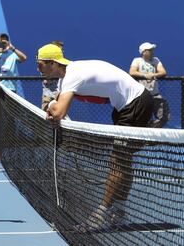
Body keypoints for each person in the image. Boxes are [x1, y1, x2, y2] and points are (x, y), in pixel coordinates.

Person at [36, 44, 153, 231]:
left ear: (52, 63)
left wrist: (50, 104)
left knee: (117, 162)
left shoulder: (73, 75)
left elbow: (57, 111)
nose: (38, 69)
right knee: (124, 161)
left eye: (40, 64)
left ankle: (100, 215)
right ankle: (119, 213)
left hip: (136, 104)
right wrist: (52, 107)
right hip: (125, 107)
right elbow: (54, 108)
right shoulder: (66, 77)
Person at [129, 42, 170, 128]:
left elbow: (163, 72)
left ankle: (152, 129)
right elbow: (132, 72)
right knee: (142, 117)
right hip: (142, 95)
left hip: (155, 94)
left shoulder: (156, 60)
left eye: (152, 50)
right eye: (150, 50)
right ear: (143, 52)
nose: (152, 52)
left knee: (164, 117)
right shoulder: (137, 61)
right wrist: (145, 75)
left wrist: (153, 75)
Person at [41, 41, 64, 111]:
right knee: (45, 116)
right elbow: (46, 80)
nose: (61, 51)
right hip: (48, 95)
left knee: (59, 116)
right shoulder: (45, 62)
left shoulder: (62, 62)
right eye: (59, 49)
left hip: (59, 95)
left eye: (62, 50)